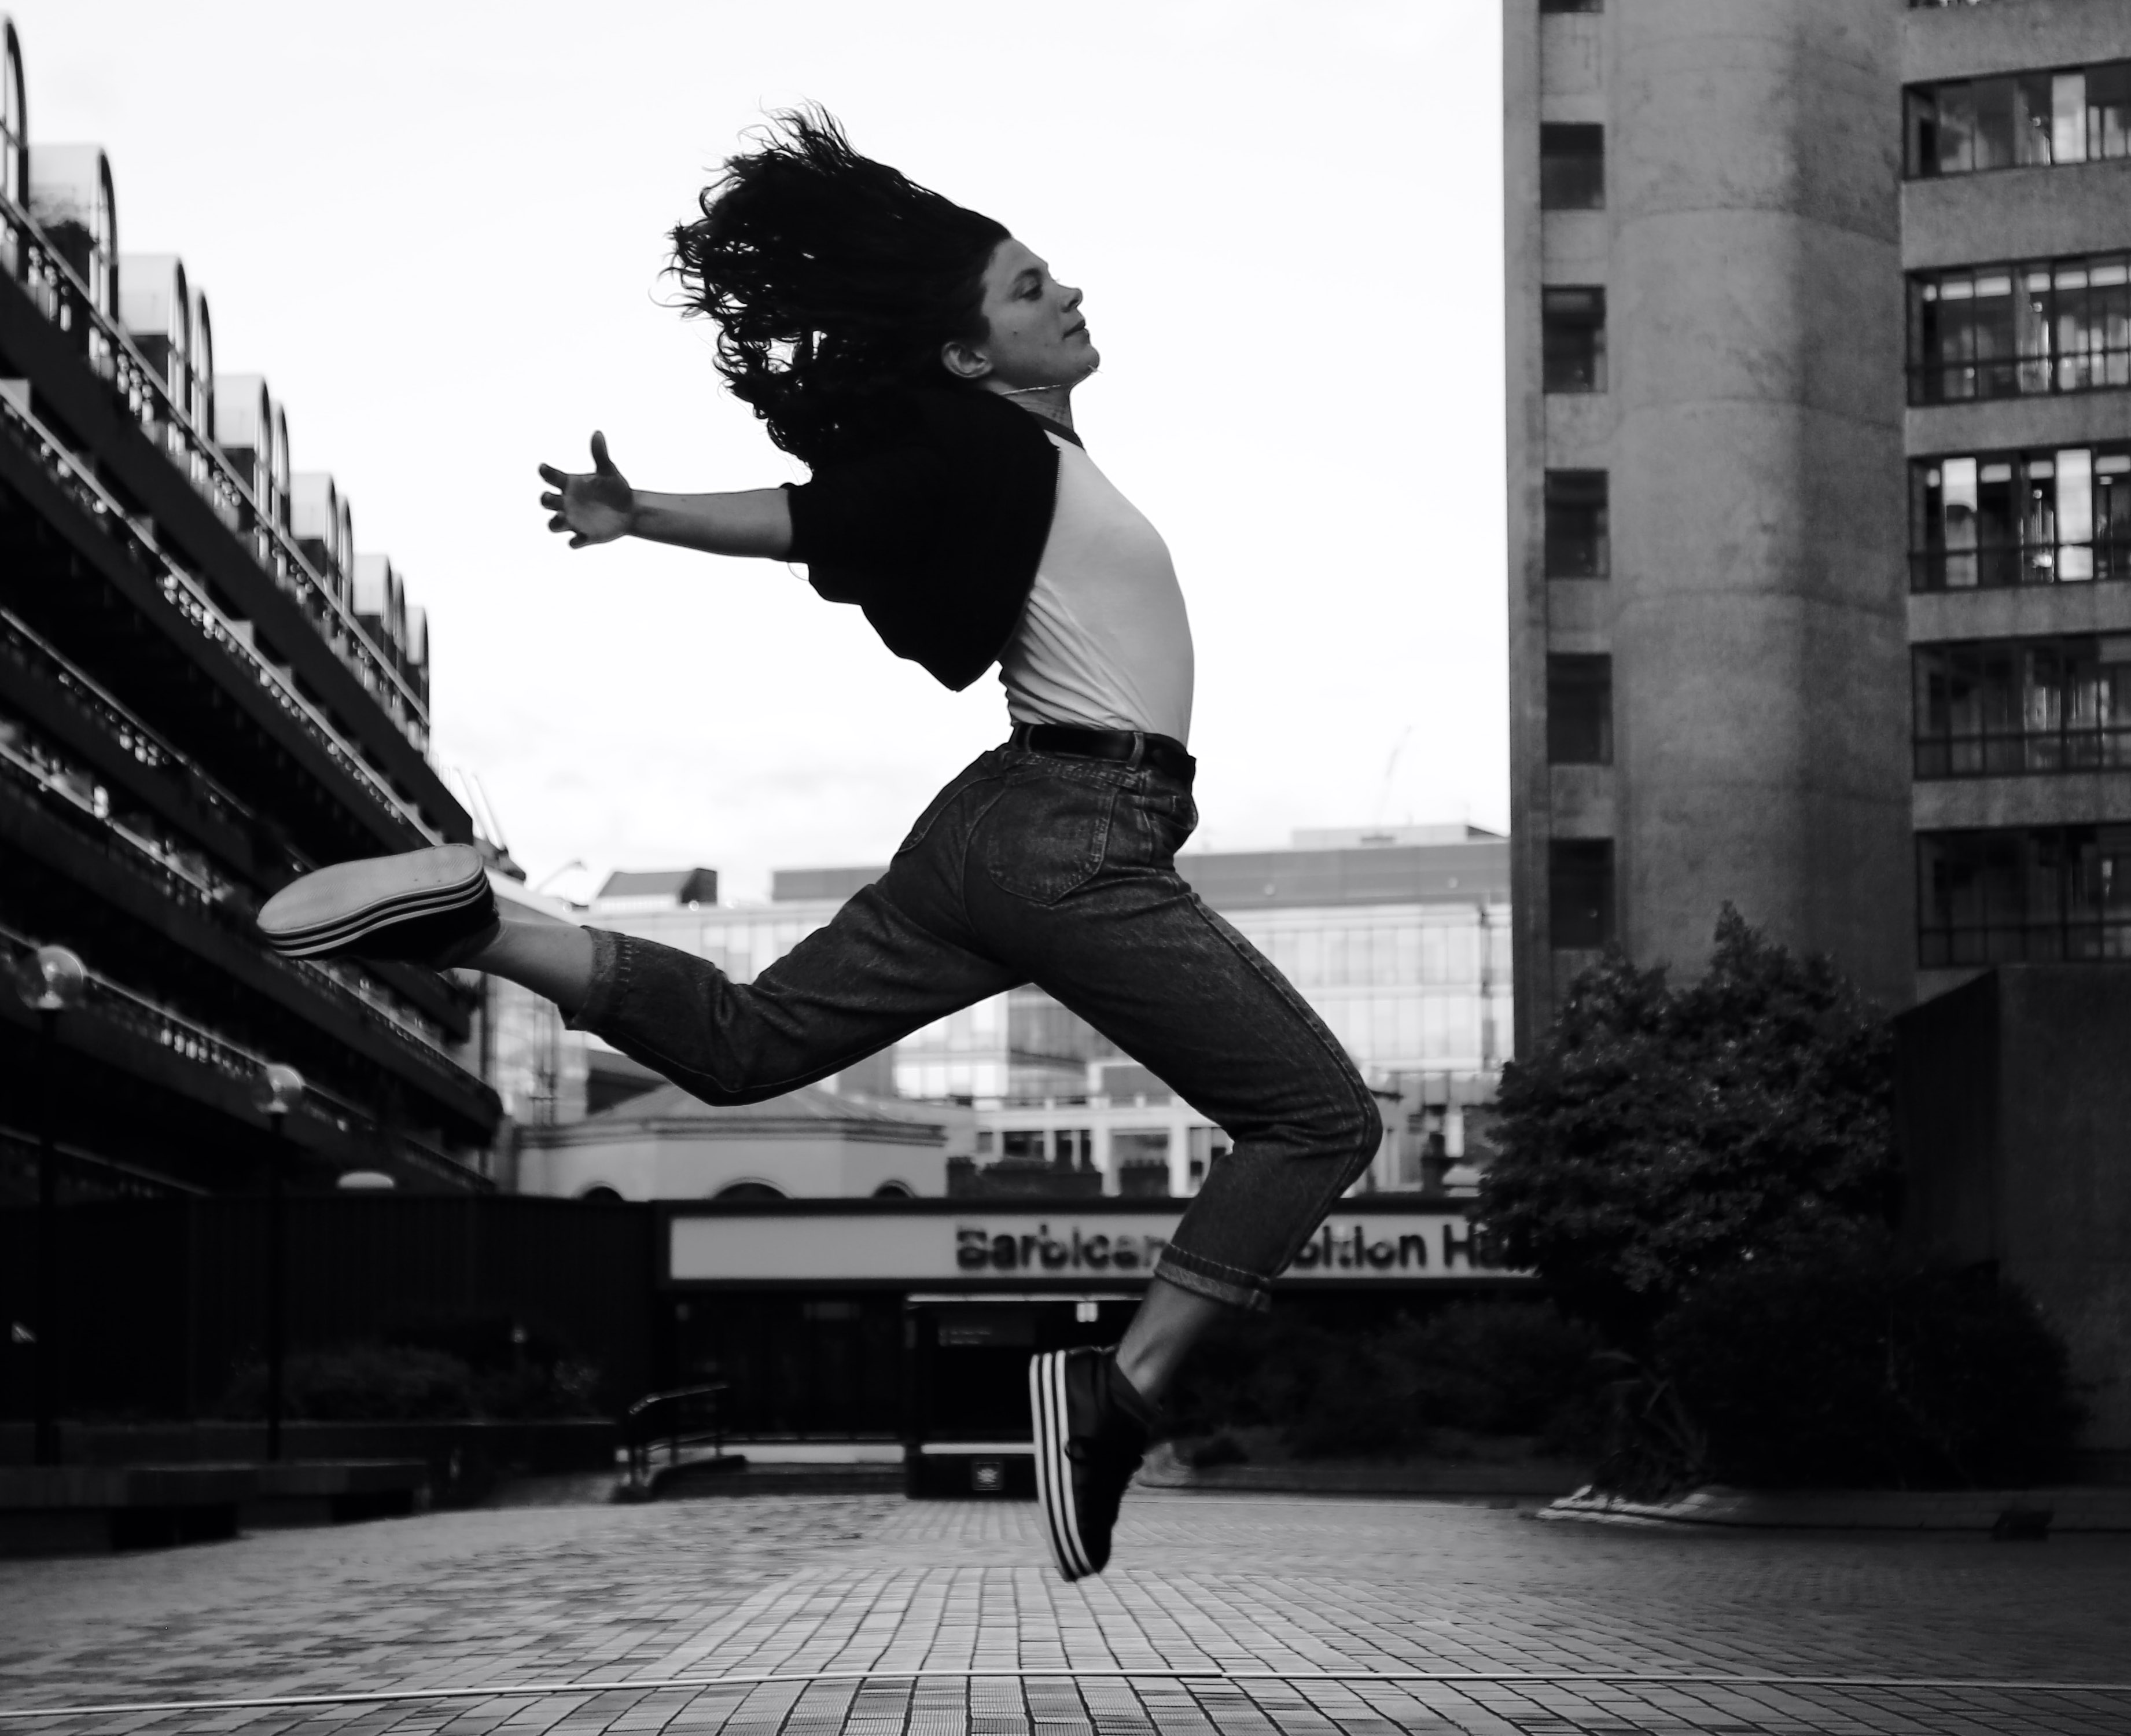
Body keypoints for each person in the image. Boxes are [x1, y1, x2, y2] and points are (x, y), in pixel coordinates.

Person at [256, 112, 1378, 1580]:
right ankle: (1118, 1396)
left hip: (999, 829)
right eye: (1030, 286)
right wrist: (647, 512)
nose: (1068, 293)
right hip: (1072, 831)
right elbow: (826, 515)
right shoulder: (991, 445)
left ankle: (488, 927)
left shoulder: (1022, 452)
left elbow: (862, 512)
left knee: (746, 1046)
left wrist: (649, 512)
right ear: (969, 355)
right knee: (1316, 1120)